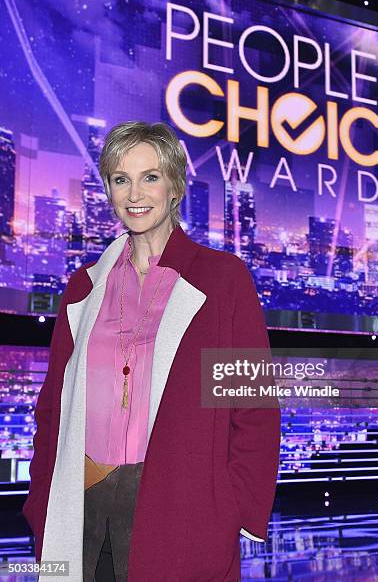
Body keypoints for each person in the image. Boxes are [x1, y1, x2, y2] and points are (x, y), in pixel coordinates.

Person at [22, 121, 281, 581]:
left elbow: (254, 407)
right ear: (108, 189)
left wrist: (233, 510)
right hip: (83, 499)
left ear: (175, 184)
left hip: (182, 506)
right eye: (121, 179)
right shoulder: (84, 287)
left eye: (150, 177)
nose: (135, 193)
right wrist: (41, 499)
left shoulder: (223, 278)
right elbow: (52, 409)